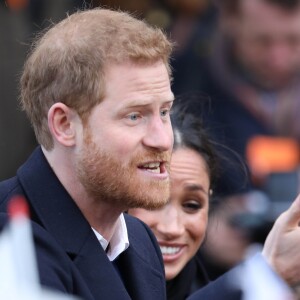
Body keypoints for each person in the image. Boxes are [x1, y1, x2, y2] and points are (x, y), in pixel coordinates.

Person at [0, 8, 174, 299]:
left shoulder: (139, 239)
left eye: (165, 112)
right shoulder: (10, 242)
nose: (163, 139)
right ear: (65, 125)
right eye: (134, 116)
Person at [171, 0, 300, 279]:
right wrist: (203, 228)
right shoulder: (184, 84)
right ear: (230, 21)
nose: (278, 58)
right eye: (262, 41)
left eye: (293, 40)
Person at [130, 102, 300, 299]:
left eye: (192, 205)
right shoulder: (90, 282)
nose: (173, 228)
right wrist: (268, 270)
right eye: (154, 202)